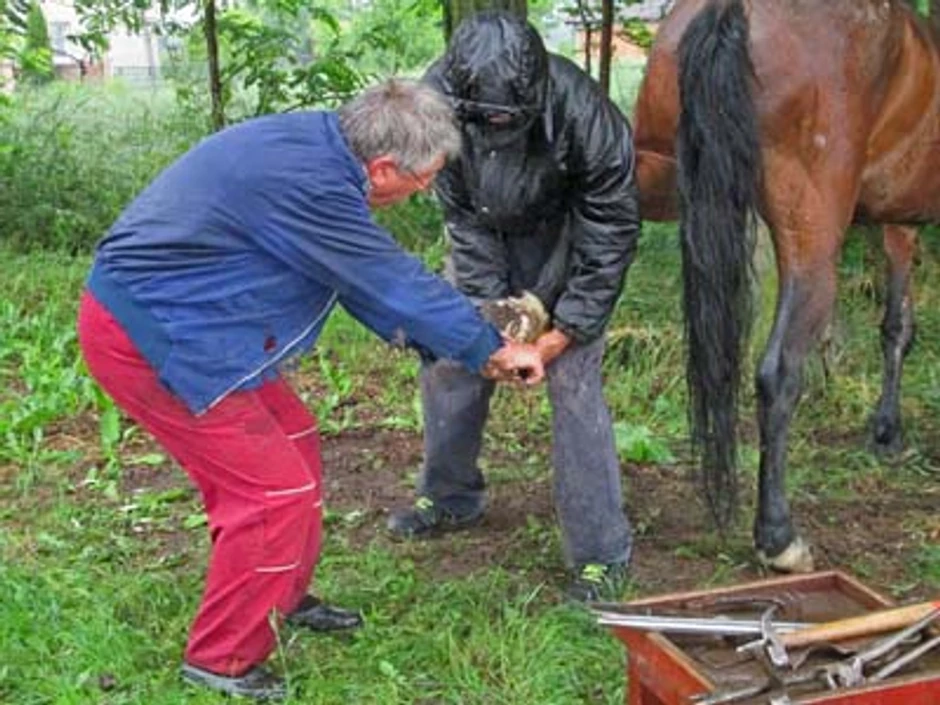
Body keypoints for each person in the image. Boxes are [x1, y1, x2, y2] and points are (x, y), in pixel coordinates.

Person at [77, 79, 544, 701]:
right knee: (274, 493)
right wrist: (489, 347)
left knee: (294, 442)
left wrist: (461, 342)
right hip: (152, 336)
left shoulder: (323, 152)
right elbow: (385, 278)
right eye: (425, 177)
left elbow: (358, 281)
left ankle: (279, 595)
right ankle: (222, 658)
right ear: (382, 167)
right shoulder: (313, 184)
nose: (426, 189)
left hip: (199, 323)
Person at [387, 11, 642, 602]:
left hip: (567, 240)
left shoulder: (585, 115)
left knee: (573, 382)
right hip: (484, 237)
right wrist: (491, 317)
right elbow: (457, 212)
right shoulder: (434, 106)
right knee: (452, 360)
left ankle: (601, 554)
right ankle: (450, 498)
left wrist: (559, 327)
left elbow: (609, 233)